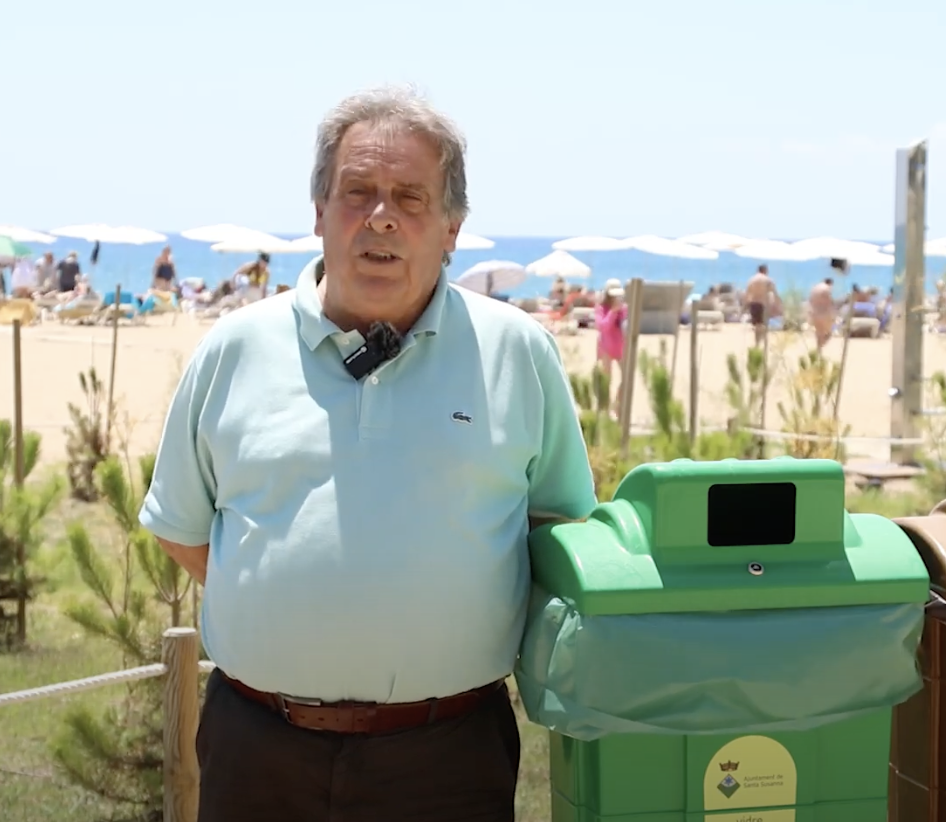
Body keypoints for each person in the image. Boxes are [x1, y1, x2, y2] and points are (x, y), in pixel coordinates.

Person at [138, 85, 596, 822]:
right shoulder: (234, 349)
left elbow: (563, 531)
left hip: (449, 755)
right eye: (357, 192)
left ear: (452, 228)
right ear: (319, 213)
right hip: (259, 748)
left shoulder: (518, 352)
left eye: (411, 198)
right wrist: (288, 606)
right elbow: (180, 526)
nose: (381, 216)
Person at [595, 279, 627, 414]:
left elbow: (626, 326)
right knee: (607, 380)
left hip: (621, 347)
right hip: (606, 348)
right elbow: (602, 326)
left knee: (627, 378)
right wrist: (613, 312)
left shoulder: (624, 309)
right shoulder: (601, 309)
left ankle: (617, 404)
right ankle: (604, 409)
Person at [744, 264, 777, 346]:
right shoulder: (767, 280)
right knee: (763, 325)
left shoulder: (751, 280)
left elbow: (747, 293)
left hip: (753, 304)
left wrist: (745, 306)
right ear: (765, 270)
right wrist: (777, 304)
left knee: (757, 326)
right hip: (763, 304)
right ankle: (764, 342)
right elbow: (774, 292)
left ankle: (757, 342)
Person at [808, 277, 836, 349]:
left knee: (819, 334)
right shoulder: (827, 288)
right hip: (824, 313)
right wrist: (833, 315)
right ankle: (819, 348)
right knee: (829, 333)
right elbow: (829, 302)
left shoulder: (814, 288)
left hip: (814, 313)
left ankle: (818, 351)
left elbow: (810, 301)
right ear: (830, 283)